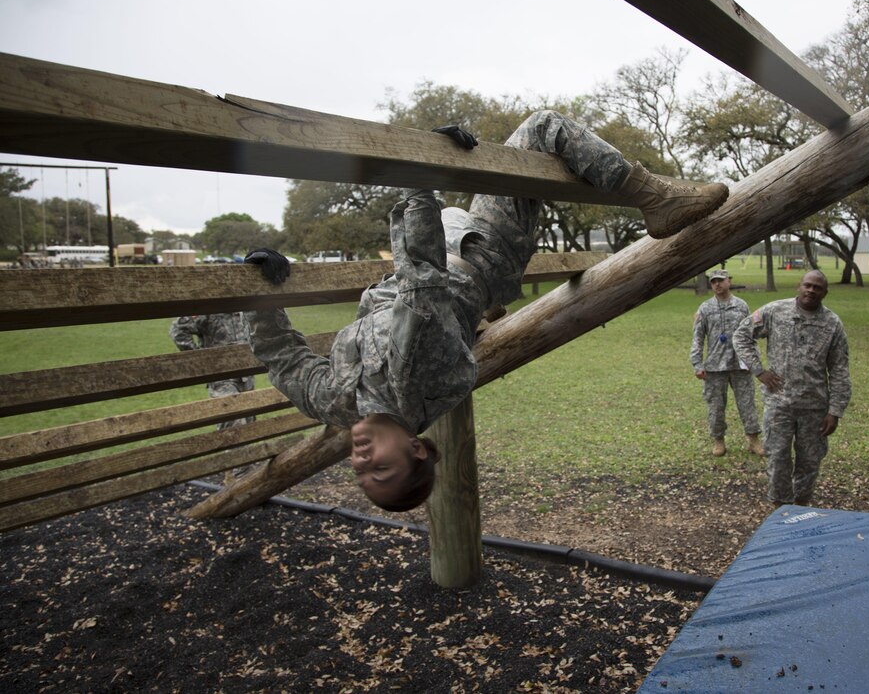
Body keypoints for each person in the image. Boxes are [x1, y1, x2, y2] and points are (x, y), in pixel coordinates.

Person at [243, 110, 730, 512]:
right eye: (381, 469)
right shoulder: (417, 380)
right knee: (543, 128)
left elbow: (285, 361)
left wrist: (261, 292)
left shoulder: (334, 403)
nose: (360, 460)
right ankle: (653, 197)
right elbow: (422, 282)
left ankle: (478, 293)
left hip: (451, 235)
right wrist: (422, 177)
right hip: (483, 253)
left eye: (361, 473)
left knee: (474, 151)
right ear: (416, 448)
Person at [732, 270, 851, 506]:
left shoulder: (832, 324)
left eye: (817, 288)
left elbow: (839, 369)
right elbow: (741, 336)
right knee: (777, 457)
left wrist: (835, 411)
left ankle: (801, 506)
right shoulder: (775, 311)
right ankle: (780, 508)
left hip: (815, 408)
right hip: (780, 404)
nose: (811, 290)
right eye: (807, 285)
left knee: (810, 461)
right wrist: (759, 370)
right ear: (799, 286)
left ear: (825, 293)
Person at [170, 312, 257, 484]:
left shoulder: (243, 308)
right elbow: (178, 330)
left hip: (246, 377)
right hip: (221, 380)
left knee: (249, 426)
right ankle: (242, 478)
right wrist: (201, 358)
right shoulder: (210, 310)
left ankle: (234, 476)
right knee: (233, 422)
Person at [690, 269, 762, 457]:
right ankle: (718, 441)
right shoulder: (705, 308)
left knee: (747, 404)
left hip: (740, 365)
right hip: (715, 367)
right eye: (713, 281)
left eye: (721, 281)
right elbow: (697, 338)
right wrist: (697, 364)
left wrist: (754, 361)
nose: (717, 284)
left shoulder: (741, 306)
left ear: (729, 281)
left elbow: (751, 335)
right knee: (715, 406)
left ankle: (753, 440)